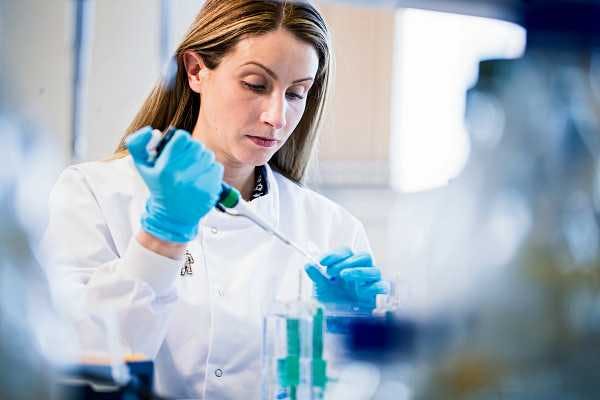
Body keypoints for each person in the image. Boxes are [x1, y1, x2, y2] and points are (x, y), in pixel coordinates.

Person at [43, 0, 389, 397]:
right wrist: (160, 241)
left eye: (296, 93)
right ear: (195, 71)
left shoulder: (332, 228)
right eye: (256, 85)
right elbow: (76, 366)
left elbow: (355, 390)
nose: (277, 117)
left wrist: (351, 330)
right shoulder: (95, 195)